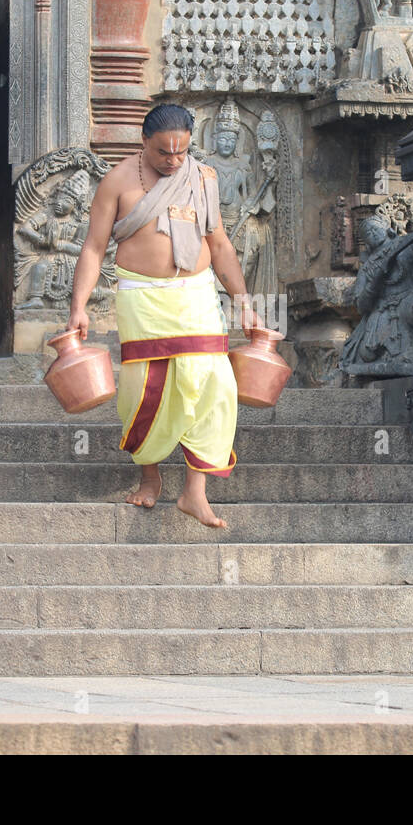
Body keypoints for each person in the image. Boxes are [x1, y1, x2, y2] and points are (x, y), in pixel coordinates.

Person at [65, 104, 262, 529]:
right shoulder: (117, 181)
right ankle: (149, 474)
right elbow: (94, 249)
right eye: (162, 153)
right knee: (145, 386)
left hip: (196, 293)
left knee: (214, 382)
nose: (173, 161)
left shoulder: (204, 177)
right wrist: (78, 307)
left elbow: (221, 244)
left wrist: (242, 299)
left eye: (181, 152)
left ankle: (195, 493)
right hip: (143, 298)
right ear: (143, 142)